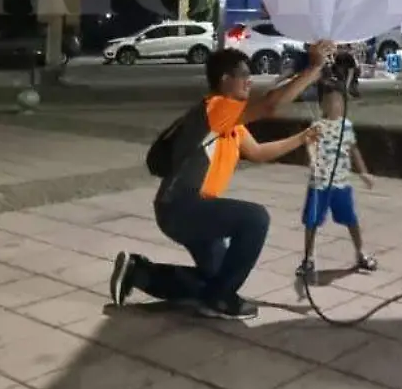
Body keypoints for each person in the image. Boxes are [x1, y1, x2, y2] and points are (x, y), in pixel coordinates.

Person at [110, 41, 333, 319]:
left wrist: (302, 138)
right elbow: (270, 104)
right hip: (182, 206)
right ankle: (220, 300)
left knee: (216, 278)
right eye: (244, 75)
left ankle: (140, 273)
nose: (249, 82)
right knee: (255, 219)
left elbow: (259, 153)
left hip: (190, 209)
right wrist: (314, 69)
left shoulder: (230, 123)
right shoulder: (215, 108)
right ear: (225, 80)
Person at [296, 83, 377, 293]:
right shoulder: (316, 125)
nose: (335, 105)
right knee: (312, 222)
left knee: (351, 219)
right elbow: (310, 148)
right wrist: (313, 161)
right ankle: (309, 258)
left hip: (341, 182)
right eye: (330, 101)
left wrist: (364, 172)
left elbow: (353, 149)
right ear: (322, 104)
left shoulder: (347, 126)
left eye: (339, 101)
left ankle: (361, 253)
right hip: (319, 184)